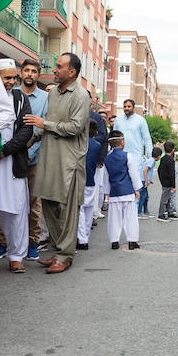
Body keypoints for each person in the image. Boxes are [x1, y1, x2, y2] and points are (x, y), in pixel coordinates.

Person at [27, 53, 91, 274]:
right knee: (48, 205)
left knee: (68, 210)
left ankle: (65, 255)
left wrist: (45, 125)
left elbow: (74, 127)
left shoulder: (81, 96)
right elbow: (44, 123)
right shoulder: (52, 93)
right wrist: (31, 140)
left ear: (71, 72)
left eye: (59, 66)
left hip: (69, 161)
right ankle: (58, 251)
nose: (53, 69)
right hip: (48, 158)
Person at [0, 58, 47, 262]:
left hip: (18, 160)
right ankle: (2, 244)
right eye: (8, 77)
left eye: (12, 78)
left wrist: (4, 152)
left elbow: (27, 131)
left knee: (23, 206)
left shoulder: (20, 98)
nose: (11, 81)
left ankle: (22, 251)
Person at [77, 107, 110, 251]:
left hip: (79, 180)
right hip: (91, 180)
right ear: (96, 133)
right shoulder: (97, 145)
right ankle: (86, 236)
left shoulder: (78, 143)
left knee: (79, 210)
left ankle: (81, 239)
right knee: (89, 208)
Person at [104, 131, 141, 250]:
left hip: (114, 192)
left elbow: (106, 178)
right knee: (130, 218)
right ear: (122, 142)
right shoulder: (127, 155)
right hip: (127, 191)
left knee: (114, 218)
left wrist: (107, 192)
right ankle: (132, 241)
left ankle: (114, 241)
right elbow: (133, 174)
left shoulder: (107, 158)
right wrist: (136, 188)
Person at [113, 99, 153, 171]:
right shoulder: (118, 120)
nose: (126, 108)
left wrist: (150, 157)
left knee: (135, 179)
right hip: (120, 155)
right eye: (125, 106)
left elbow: (147, 139)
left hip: (136, 155)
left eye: (129, 106)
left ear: (133, 107)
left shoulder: (141, 120)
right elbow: (114, 137)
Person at [157, 139, 178, 220]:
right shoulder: (171, 160)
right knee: (165, 199)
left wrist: (161, 180)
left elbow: (159, 170)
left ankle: (170, 212)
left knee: (168, 198)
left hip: (164, 181)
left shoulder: (163, 158)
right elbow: (172, 174)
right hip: (168, 182)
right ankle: (161, 214)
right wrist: (174, 186)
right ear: (173, 150)